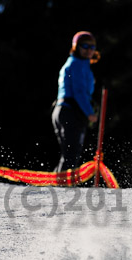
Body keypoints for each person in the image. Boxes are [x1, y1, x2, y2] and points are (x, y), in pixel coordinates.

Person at [52, 31, 100, 172]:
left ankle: (58, 185)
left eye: (92, 47)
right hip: (70, 111)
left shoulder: (80, 64)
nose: (89, 50)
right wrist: (89, 112)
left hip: (63, 110)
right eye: (85, 46)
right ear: (76, 47)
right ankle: (61, 187)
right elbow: (79, 92)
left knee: (69, 155)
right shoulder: (77, 64)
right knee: (71, 155)